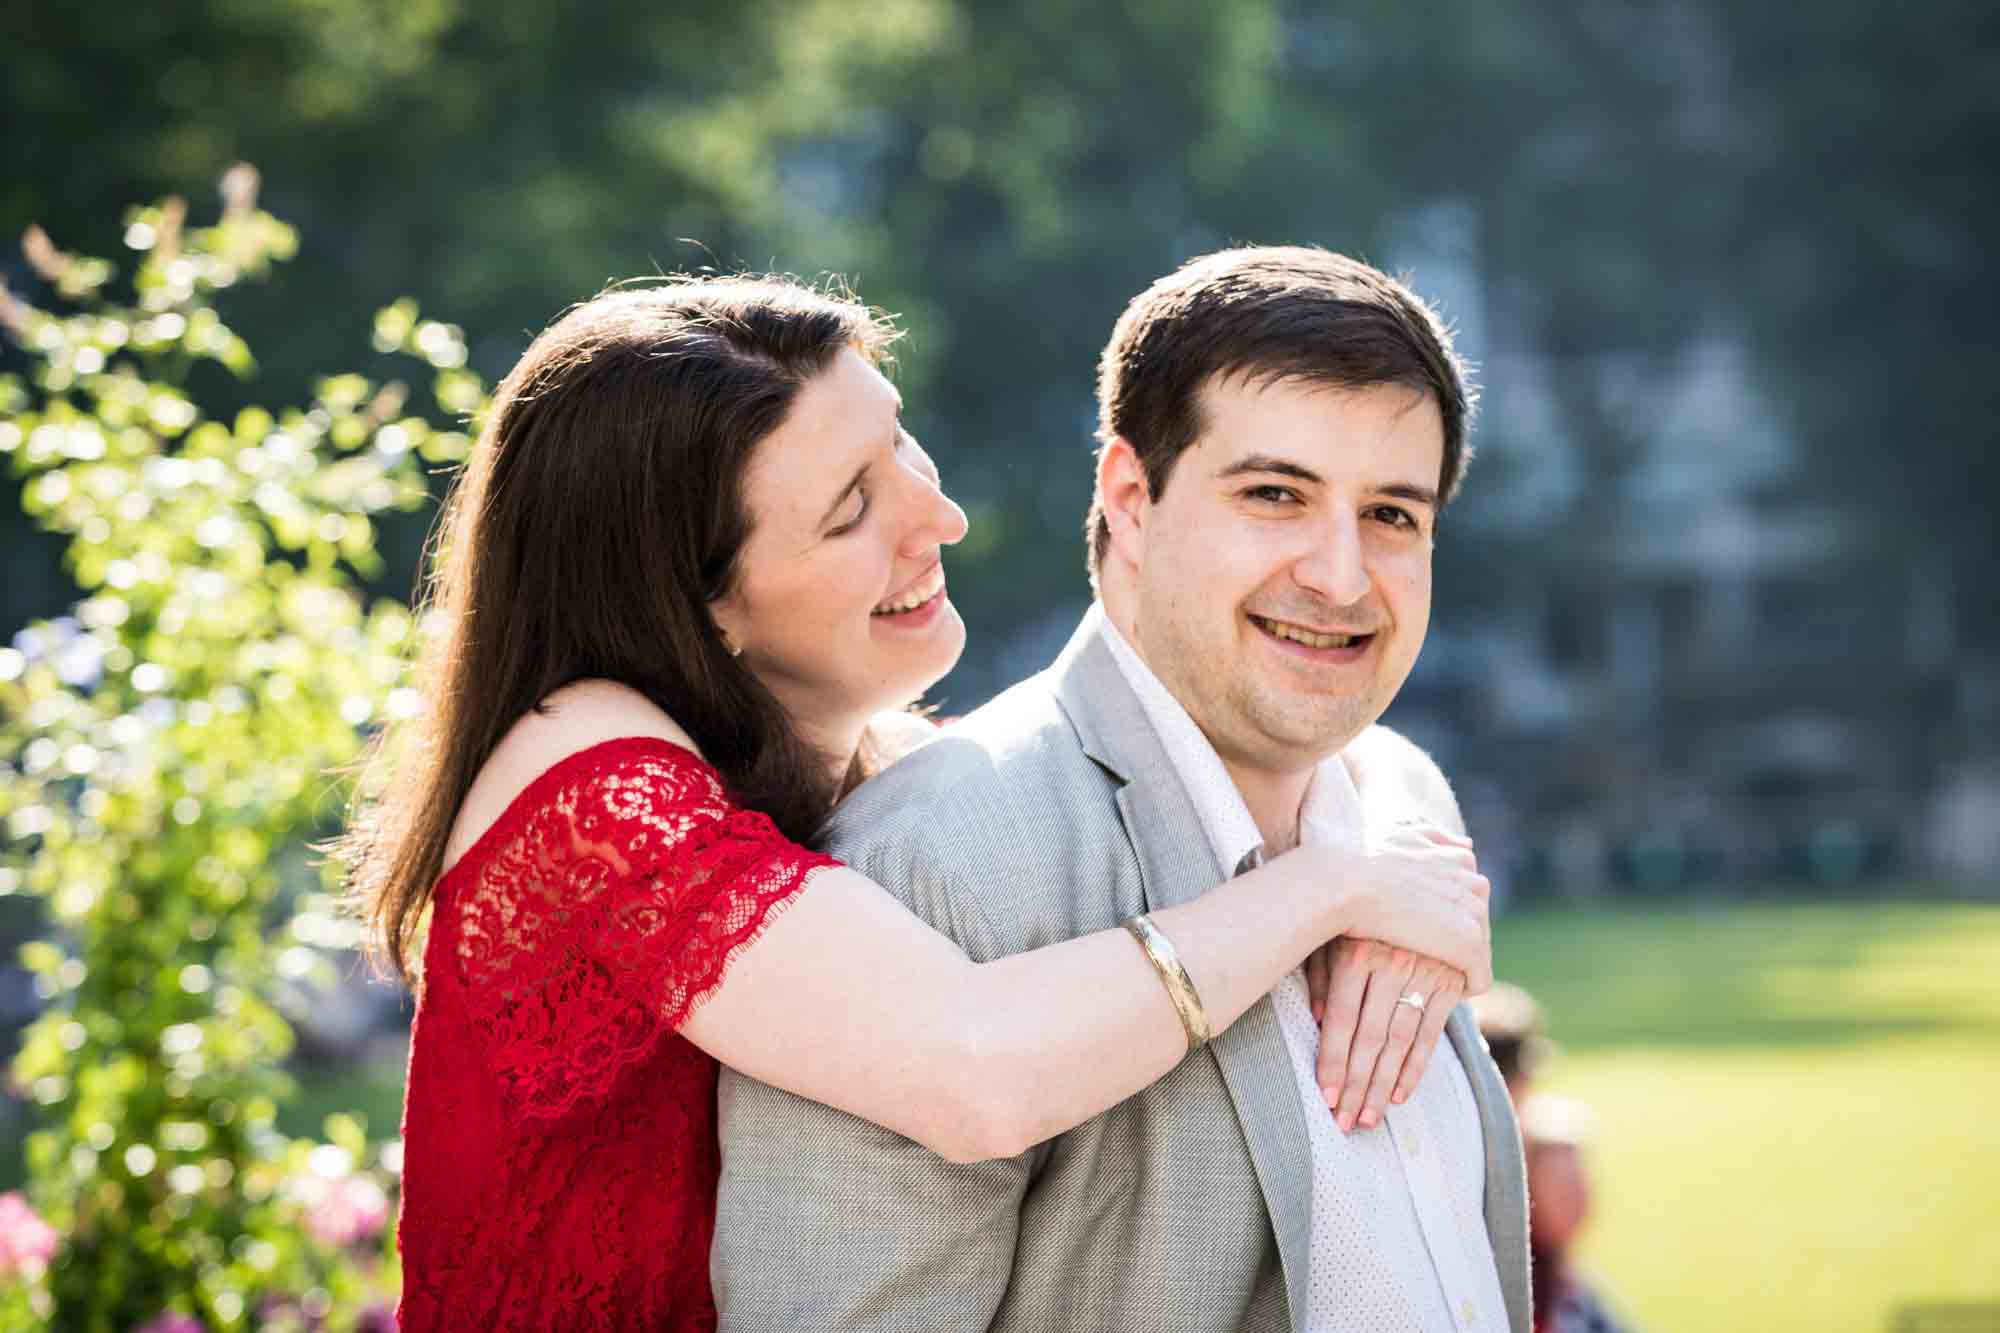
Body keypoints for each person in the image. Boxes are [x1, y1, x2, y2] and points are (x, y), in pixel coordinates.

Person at [339, 276, 1497, 1331]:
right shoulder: (588, 782)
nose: (935, 520)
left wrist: (1385, 825)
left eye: (901, 448)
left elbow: (1238, 733)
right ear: (699, 607)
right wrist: (1329, 886)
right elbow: (978, 1070)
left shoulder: (856, 761)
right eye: (851, 507)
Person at [714, 246, 1532, 1332]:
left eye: (1390, 514)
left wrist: (1383, 859)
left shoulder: (1392, 805)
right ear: (1131, 499)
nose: (1341, 577)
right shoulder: (932, 867)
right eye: (1274, 494)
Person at [1522, 1095, 1636, 1333]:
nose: (1577, 1196)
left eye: (1578, 1178)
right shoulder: (1519, 1288)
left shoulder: (1572, 1287)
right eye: (1560, 1181)